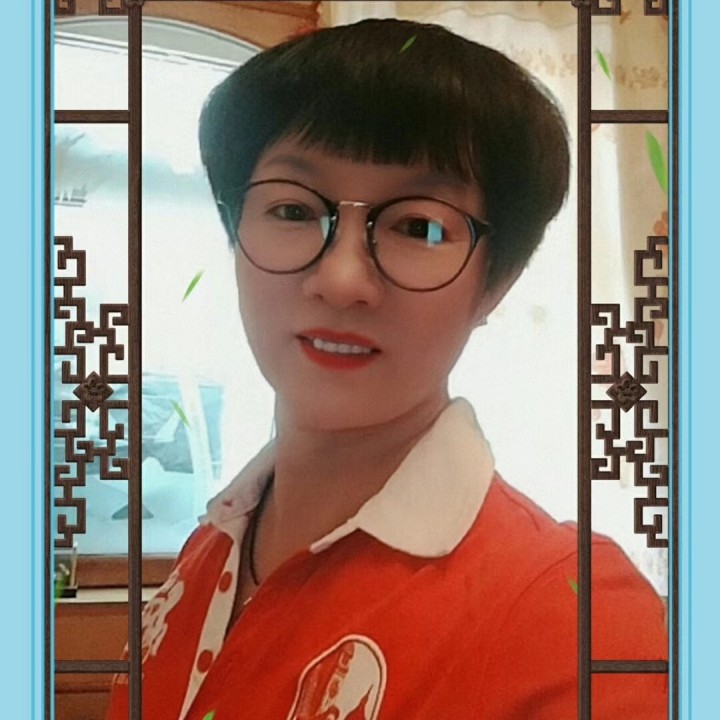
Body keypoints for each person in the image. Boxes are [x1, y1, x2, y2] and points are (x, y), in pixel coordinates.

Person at [106, 18, 667, 720]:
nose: (342, 281)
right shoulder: (208, 549)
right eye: (292, 209)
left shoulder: (574, 615)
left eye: (417, 227)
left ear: (496, 283)